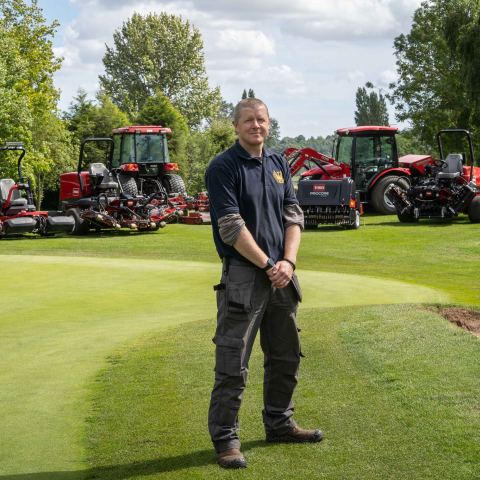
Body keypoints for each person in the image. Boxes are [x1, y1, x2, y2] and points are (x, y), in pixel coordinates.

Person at [205, 98, 323, 470]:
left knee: (286, 356)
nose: (256, 125)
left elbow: (293, 214)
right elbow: (231, 227)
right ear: (236, 125)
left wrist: (288, 262)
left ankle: (280, 424)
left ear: (269, 124)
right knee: (233, 364)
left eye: (262, 120)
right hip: (244, 275)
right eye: (248, 121)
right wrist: (270, 264)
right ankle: (226, 441)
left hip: (282, 275)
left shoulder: (278, 164)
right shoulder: (223, 167)